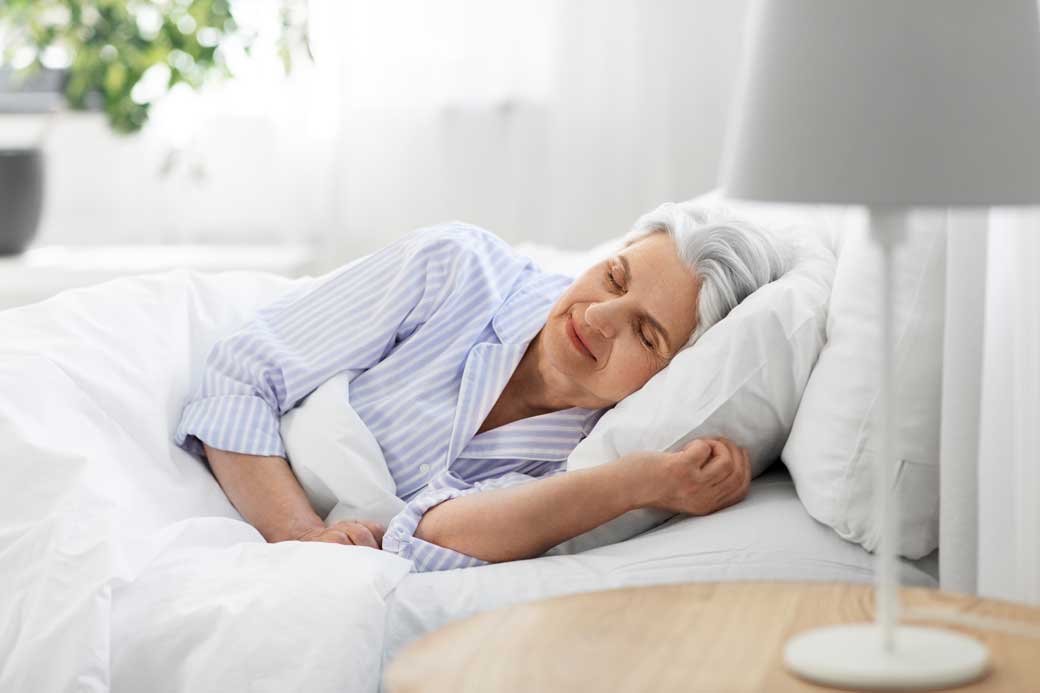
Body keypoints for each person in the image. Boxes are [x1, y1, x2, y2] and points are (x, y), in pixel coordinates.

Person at [174, 202, 790, 572]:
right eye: (614, 276)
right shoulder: (454, 267)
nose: (598, 318)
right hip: (212, 488)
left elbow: (433, 538)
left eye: (646, 335)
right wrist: (304, 537)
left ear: (676, 372)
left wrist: (640, 481)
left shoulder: (592, 451)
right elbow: (239, 381)